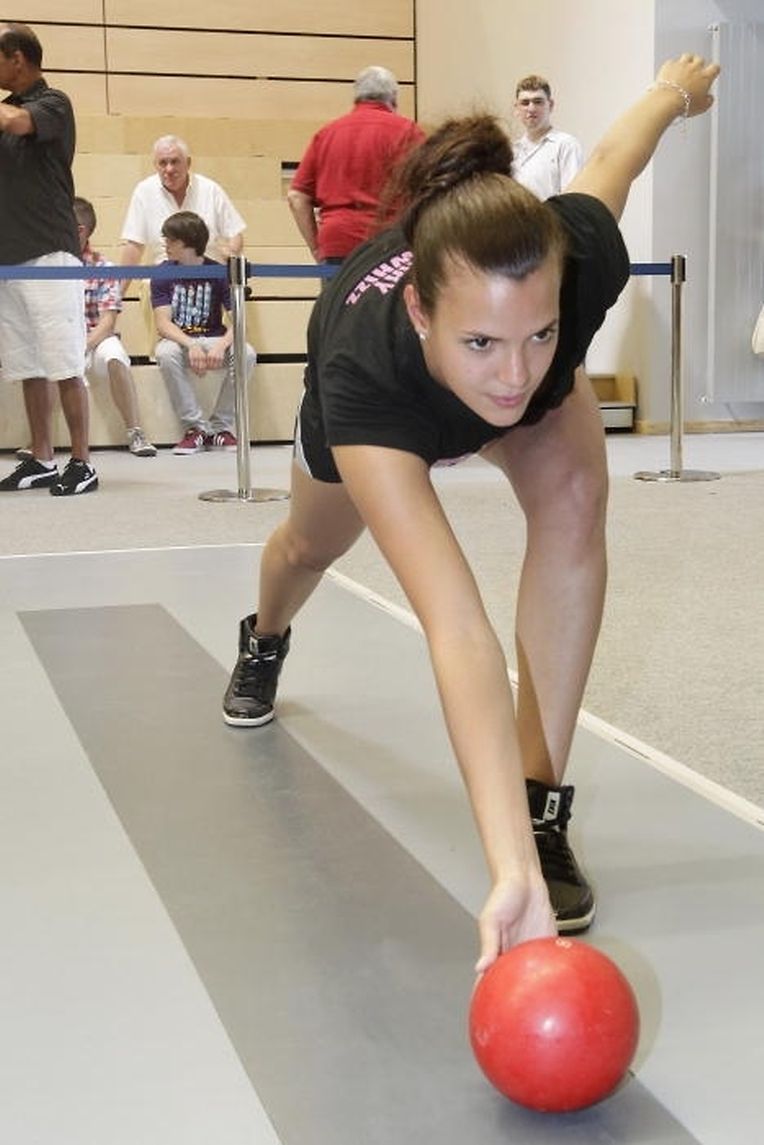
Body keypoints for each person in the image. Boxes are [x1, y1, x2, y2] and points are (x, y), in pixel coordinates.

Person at [221, 54, 719, 970]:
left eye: (541, 334)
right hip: (392, 410)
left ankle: (540, 805)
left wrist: (674, 91)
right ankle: (265, 636)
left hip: (495, 408)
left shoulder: (569, 256)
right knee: (308, 546)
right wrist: (505, 870)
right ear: (420, 311)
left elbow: (614, 158)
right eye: (483, 340)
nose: (515, 372)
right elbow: (456, 627)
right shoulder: (366, 371)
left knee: (575, 495)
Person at [0, 22, 98, 496]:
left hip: (50, 253)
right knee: (27, 364)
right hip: (9, 257)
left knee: (63, 362)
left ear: (17, 58)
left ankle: (82, 462)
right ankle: (41, 458)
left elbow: (19, 123)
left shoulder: (53, 102)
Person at [287, 65, 425, 267]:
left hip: (337, 244)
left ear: (357, 96)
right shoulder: (409, 132)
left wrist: (316, 248)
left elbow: (296, 197)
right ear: (393, 98)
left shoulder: (326, 134)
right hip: (390, 243)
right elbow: (428, 190)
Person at [151, 210, 256, 454]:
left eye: (171, 240)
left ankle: (220, 428)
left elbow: (240, 320)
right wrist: (191, 344)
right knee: (165, 353)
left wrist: (220, 346)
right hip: (179, 340)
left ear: (188, 243)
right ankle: (195, 428)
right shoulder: (163, 272)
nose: (166, 244)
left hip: (213, 338)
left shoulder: (218, 272)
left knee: (247, 353)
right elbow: (163, 324)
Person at [120, 135, 246, 267]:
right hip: (163, 276)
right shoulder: (144, 191)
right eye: (163, 163)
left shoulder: (210, 189)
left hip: (208, 274)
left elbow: (235, 234)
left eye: (175, 162)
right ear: (155, 165)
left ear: (188, 163)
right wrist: (121, 281)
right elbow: (134, 244)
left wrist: (231, 253)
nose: (169, 169)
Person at [512, 74, 584, 200]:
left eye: (538, 102)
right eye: (525, 103)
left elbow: (573, 198)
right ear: (517, 108)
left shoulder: (566, 145)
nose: (531, 108)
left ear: (550, 105)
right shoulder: (512, 151)